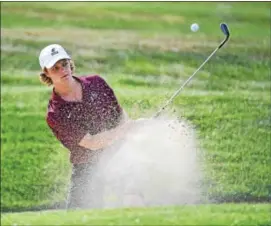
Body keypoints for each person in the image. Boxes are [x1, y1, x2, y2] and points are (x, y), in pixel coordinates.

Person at [38, 44, 133, 209]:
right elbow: (91, 143)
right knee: (78, 218)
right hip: (87, 168)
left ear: (70, 63)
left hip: (120, 156)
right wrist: (127, 129)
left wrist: (128, 134)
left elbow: (120, 116)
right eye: (55, 68)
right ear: (46, 73)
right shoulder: (56, 113)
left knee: (133, 202)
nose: (63, 70)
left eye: (65, 64)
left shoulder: (96, 83)